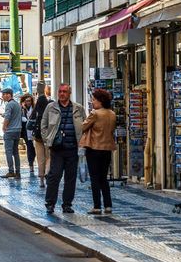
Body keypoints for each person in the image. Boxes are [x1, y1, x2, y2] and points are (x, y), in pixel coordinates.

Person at [40, 83, 86, 216]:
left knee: (70, 178)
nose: (62, 94)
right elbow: (43, 125)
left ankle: (67, 204)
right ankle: (50, 203)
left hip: (73, 149)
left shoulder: (78, 108)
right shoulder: (51, 107)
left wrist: (82, 143)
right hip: (57, 149)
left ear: (69, 93)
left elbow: (85, 126)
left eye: (64, 92)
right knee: (54, 176)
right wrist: (47, 139)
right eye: (60, 91)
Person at [81, 88, 118, 215]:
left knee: (95, 178)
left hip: (94, 148)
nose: (92, 102)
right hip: (107, 148)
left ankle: (97, 206)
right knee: (104, 177)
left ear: (100, 101)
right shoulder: (112, 114)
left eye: (94, 100)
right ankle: (108, 205)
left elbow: (83, 126)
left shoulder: (95, 113)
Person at [31, 85, 51, 185]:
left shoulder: (37, 107)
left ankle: (41, 180)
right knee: (49, 157)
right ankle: (47, 172)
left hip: (38, 136)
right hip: (48, 136)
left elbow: (30, 120)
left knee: (40, 158)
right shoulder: (51, 106)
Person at [0, 89, 22, 179]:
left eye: (4, 94)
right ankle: (18, 172)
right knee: (16, 152)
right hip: (18, 130)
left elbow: (8, 117)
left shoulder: (9, 104)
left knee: (8, 152)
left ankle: (11, 171)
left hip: (10, 131)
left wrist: (4, 127)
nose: (2, 96)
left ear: (9, 95)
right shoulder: (17, 104)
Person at [20, 94, 38, 176]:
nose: (28, 102)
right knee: (30, 148)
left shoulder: (34, 109)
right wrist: (23, 109)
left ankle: (35, 163)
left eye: (29, 101)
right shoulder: (21, 109)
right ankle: (31, 165)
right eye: (26, 101)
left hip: (34, 131)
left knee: (35, 149)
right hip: (26, 133)